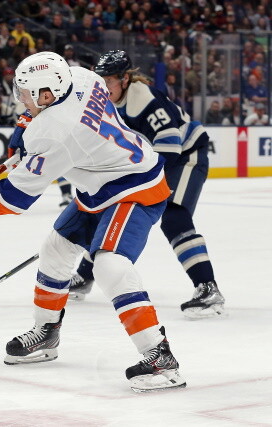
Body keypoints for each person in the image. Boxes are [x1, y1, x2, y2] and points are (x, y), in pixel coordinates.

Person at [0, 51, 185, 393]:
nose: (20, 99)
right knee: (55, 250)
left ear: (47, 95)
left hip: (136, 189)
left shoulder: (56, 132)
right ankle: (46, 334)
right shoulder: (80, 77)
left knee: (110, 266)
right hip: (101, 181)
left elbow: (15, 197)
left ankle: (160, 357)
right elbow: (48, 119)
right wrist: (26, 128)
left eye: (26, 94)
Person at [69, 50, 226, 320]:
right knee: (108, 212)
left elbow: (170, 148)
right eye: (100, 81)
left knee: (174, 215)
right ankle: (85, 276)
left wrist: (137, 183)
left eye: (109, 82)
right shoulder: (104, 104)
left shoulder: (145, 100)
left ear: (125, 79)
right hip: (150, 162)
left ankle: (207, 287)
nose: (103, 88)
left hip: (185, 156)